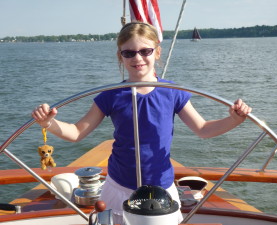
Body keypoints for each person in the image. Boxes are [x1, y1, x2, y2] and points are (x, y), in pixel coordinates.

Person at [32, 22, 252, 224]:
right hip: (119, 186)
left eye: (145, 51)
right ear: (121, 56)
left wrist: (234, 119)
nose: (138, 58)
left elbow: (203, 129)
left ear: (157, 52)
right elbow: (77, 132)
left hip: (162, 187)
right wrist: (49, 123)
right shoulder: (111, 95)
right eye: (129, 53)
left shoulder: (173, 92)